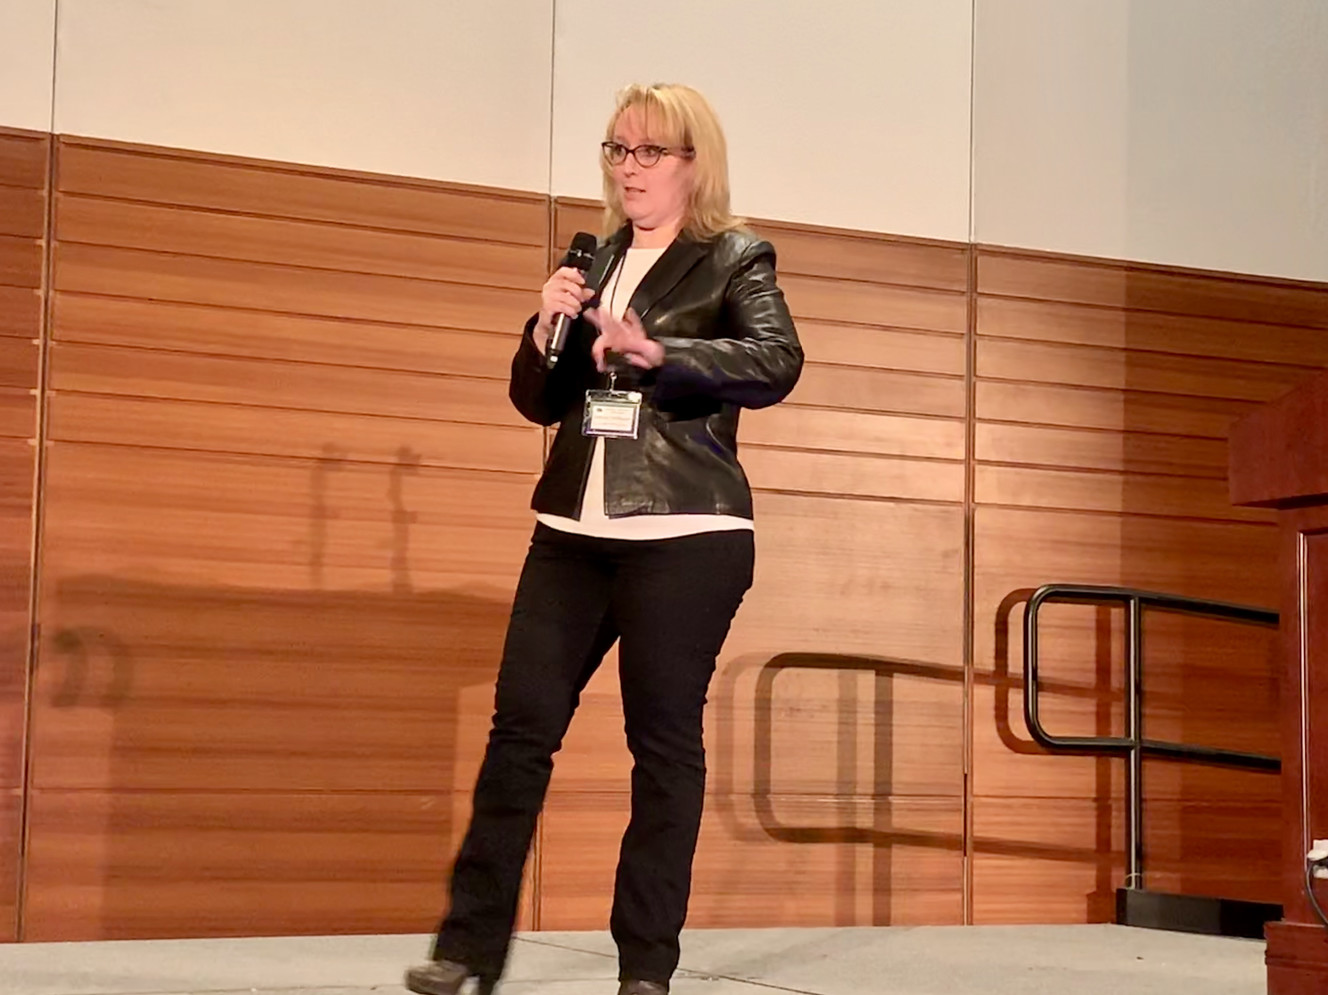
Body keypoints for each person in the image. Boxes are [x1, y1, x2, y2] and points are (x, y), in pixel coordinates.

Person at [404, 82, 803, 995]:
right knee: (520, 732)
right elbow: (537, 402)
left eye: (650, 152)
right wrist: (543, 326)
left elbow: (778, 360)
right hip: (570, 532)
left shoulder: (734, 257)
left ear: (692, 163)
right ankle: (467, 950)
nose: (629, 168)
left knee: (661, 745)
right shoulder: (593, 260)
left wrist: (665, 357)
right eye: (619, 150)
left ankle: (644, 968)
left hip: (687, 531)